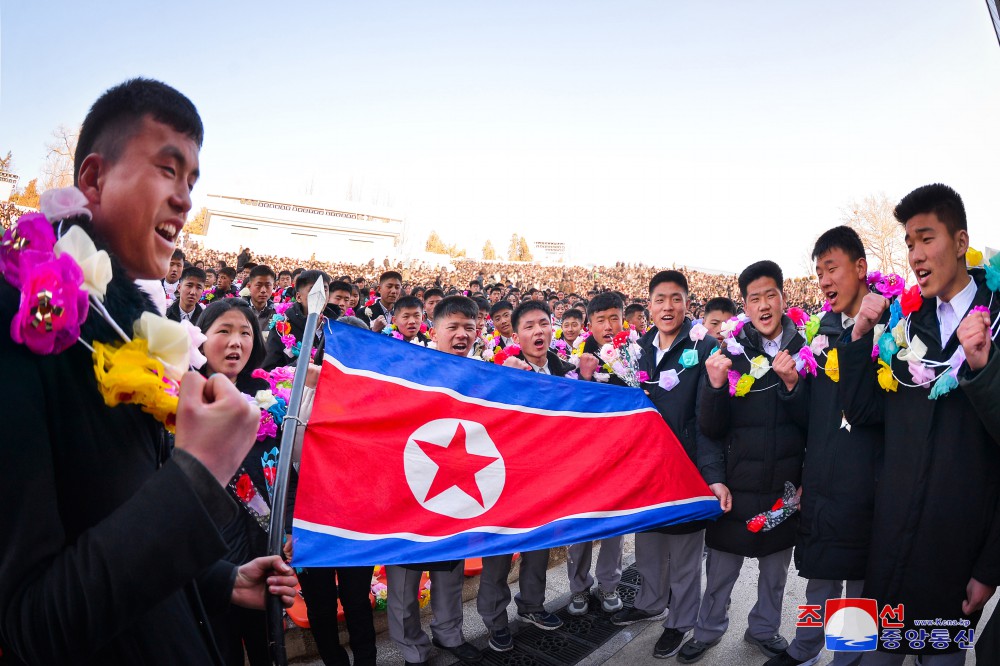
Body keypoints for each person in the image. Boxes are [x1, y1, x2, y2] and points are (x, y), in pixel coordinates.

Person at [0, 77, 297, 665]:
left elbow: (117, 519)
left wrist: (219, 580)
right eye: (168, 169)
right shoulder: (17, 319)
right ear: (93, 178)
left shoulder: (119, 321)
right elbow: (31, 626)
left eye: (192, 180)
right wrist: (200, 472)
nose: (186, 199)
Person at [839, 184, 1000, 665]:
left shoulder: (996, 322)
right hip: (892, 549)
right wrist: (859, 338)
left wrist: (990, 566)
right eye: (909, 243)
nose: (915, 255)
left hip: (956, 557)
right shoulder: (904, 326)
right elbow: (865, 414)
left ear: (960, 240)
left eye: (926, 238)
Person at [764, 227, 883, 666]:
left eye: (832, 268)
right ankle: (805, 647)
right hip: (824, 476)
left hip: (867, 481)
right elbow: (811, 415)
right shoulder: (821, 332)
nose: (825, 281)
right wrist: (793, 386)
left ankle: (847, 657)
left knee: (858, 581)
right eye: (818, 273)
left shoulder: (892, 332)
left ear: (860, 268)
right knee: (819, 577)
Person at [680, 260, 806, 664]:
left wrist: (793, 385)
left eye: (771, 294)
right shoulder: (726, 353)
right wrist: (714, 478)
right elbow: (709, 427)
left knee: (774, 575)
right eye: (755, 298)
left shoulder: (807, 350)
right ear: (745, 307)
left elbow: (813, 423)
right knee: (719, 573)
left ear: (784, 298)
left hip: (783, 487)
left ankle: (764, 629)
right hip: (735, 486)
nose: (764, 304)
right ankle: (708, 629)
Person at [476, 301, 599, 652]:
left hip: (548, 479)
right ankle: (495, 620)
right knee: (499, 554)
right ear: (516, 335)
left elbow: (580, 417)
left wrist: (587, 381)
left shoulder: (565, 369)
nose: (538, 331)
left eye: (544, 324)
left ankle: (531, 605)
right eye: (529, 326)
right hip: (506, 478)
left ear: (553, 328)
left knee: (539, 549)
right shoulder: (501, 370)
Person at [614, 271, 720, 660]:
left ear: (687, 303)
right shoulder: (635, 349)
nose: (668, 307)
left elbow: (709, 419)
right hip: (647, 469)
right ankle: (650, 602)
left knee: (686, 555)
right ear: (649, 305)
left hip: (686, 467)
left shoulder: (704, 346)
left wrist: (710, 474)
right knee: (649, 546)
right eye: (660, 299)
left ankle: (680, 621)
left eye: (676, 299)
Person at [385, 295, 483, 666]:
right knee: (405, 577)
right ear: (434, 329)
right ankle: (411, 646)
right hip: (411, 486)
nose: (461, 335)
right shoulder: (410, 369)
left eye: (469, 328)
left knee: (450, 568)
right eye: (453, 327)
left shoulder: (484, 375)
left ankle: (449, 633)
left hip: (459, 486)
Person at [567, 292, 628, 616]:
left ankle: (609, 585)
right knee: (581, 529)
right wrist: (587, 379)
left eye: (613, 318)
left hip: (618, 459)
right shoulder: (574, 360)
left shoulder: (634, 355)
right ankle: (578, 587)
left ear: (623, 320)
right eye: (600, 320)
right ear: (589, 324)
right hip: (584, 461)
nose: (608, 325)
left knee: (614, 531)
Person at [262, 269, 329, 371]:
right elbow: (269, 369)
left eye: (325, 290)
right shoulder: (282, 327)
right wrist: (298, 365)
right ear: (298, 297)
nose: (321, 295)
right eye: (313, 290)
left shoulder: (333, 326)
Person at [244, 264, 276, 333]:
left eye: (268, 285)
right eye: (258, 285)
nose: (263, 290)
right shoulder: (239, 309)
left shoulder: (277, 313)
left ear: (273, 286)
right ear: (249, 286)